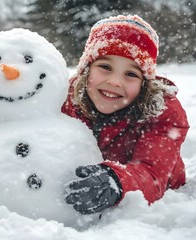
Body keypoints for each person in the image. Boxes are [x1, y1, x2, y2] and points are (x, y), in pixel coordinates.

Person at [62, 15, 189, 215]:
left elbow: (152, 175)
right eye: (105, 67)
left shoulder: (163, 112)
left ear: (144, 84)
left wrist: (116, 180)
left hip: (158, 197)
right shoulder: (66, 99)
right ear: (86, 71)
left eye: (131, 74)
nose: (114, 82)